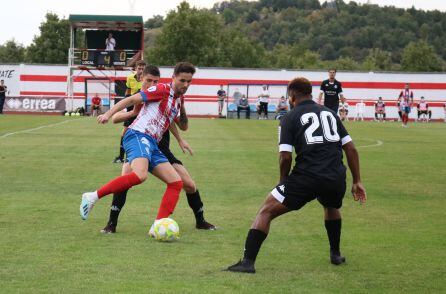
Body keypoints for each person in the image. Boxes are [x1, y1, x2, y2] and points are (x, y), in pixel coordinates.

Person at [226, 77, 366, 274]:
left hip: (306, 178)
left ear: (291, 96)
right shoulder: (330, 114)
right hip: (335, 177)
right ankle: (335, 254)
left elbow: (285, 156)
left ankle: (247, 262)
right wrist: (357, 180)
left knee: (266, 210)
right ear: (310, 93)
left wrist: (283, 182)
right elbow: (350, 148)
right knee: (331, 205)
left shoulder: (289, 118)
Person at [80, 62, 196, 236]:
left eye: (189, 82)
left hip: (153, 144)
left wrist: (180, 139)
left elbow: (171, 121)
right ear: (173, 78)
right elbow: (131, 99)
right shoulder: (162, 89)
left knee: (176, 182)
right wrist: (107, 114)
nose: (185, 85)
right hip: (137, 135)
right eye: (182, 80)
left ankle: (157, 226)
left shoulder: (178, 99)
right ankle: (92, 196)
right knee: (139, 175)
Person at [102, 65, 216, 233]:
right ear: (141, 79)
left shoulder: (167, 96)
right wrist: (133, 113)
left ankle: (201, 221)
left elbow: (171, 120)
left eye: (155, 81)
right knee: (126, 180)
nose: (152, 84)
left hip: (161, 147)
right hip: (139, 143)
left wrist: (180, 139)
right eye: (149, 80)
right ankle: (111, 224)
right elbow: (117, 119)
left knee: (189, 184)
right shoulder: (139, 99)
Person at [113, 60, 147, 164]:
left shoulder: (147, 79)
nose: (141, 70)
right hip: (131, 106)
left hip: (142, 107)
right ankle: (121, 156)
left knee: (142, 132)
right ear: (135, 68)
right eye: (139, 68)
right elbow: (128, 91)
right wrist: (126, 101)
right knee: (125, 132)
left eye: (143, 68)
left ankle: (138, 156)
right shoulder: (130, 78)